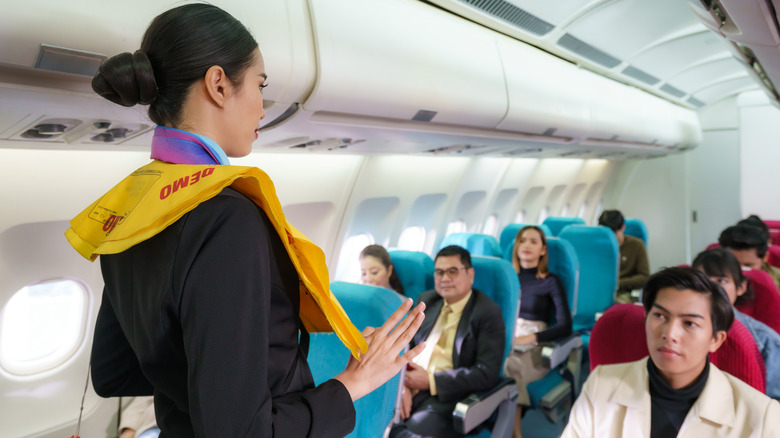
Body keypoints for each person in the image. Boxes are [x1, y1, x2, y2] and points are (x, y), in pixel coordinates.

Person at [65, 5, 425, 437]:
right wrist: (356, 382)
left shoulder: (132, 207)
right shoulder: (227, 221)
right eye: (260, 84)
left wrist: (207, 380)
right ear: (218, 84)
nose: (262, 107)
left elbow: (113, 373)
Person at [562, 267, 780, 437]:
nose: (670, 333)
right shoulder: (600, 383)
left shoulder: (761, 415)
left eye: (689, 323)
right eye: (660, 316)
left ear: (715, 340)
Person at [390, 245, 505, 438]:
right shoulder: (427, 300)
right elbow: (403, 346)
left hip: (448, 397)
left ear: (470, 274)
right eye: (439, 272)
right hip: (409, 384)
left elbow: (487, 373)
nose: (445, 278)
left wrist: (432, 381)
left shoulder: (487, 312)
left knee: (405, 433)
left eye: (453, 272)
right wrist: (402, 386)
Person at [504, 226, 571, 438]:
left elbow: (564, 325)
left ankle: (515, 433)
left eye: (534, 241)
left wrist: (529, 338)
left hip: (535, 343)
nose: (526, 245)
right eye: (522, 240)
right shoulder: (508, 278)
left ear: (543, 250)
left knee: (511, 365)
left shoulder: (550, 281)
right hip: (507, 334)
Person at [692, 248, 780, 401]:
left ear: (740, 288)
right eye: (703, 280)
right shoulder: (674, 331)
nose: (712, 289)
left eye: (722, 281)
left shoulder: (764, 340)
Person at [598, 210, 650, 303]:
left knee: (616, 306)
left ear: (623, 228)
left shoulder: (636, 245)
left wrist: (618, 284)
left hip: (623, 292)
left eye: (614, 233)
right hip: (600, 290)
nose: (611, 238)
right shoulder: (598, 246)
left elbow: (644, 277)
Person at [720, 224, 780, 292]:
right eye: (733, 264)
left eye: (748, 265)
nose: (740, 271)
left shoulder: (778, 280)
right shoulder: (712, 277)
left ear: (765, 257)